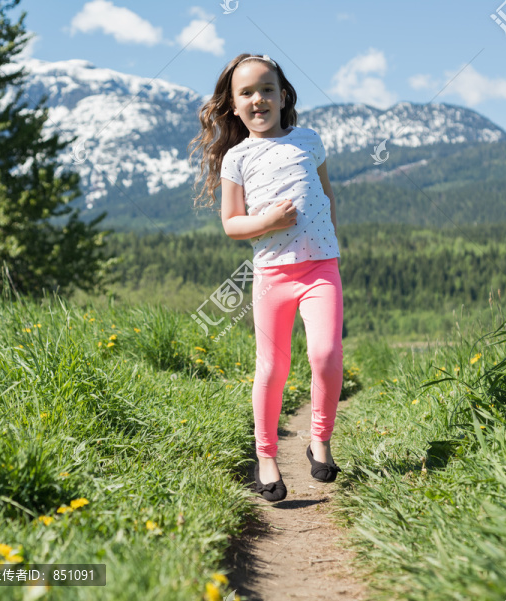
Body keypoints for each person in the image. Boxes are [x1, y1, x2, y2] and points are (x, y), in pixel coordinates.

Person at [187, 53, 344, 502]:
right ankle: (267, 456)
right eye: (247, 93)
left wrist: (329, 242)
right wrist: (270, 221)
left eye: (267, 90)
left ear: (283, 95)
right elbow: (232, 224)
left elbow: (327, 196)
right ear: (232, 106)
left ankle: (320, 440)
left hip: (321, 268)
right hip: (272, 274)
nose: (259, 99)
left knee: (326, 354)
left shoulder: (309, 140)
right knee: (272, 368)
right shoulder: (236, 159)